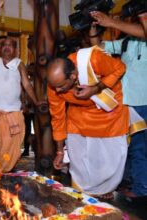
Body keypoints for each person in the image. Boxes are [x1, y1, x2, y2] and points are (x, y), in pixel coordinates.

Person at [47, 46, 129, 199]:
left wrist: (96, 88)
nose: (57, 91)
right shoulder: (54, 85)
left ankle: (104, 189)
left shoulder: (92, 59)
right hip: (79, 117)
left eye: (61, 86)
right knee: (78, 159)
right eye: (54, 87)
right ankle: (84, 194)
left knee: (108, 160)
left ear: (73, 76)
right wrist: (59, 151)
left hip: (109, 114)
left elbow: (120, 67)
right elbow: (57, 118)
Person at [90, 11, 147, 198]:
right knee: (125, 147)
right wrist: (93, 26)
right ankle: (129, 182)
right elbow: (97, 48)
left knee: (139, 148)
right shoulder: (124, 43)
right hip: (125, 103)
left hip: (143, 103)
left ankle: (141, 189)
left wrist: (112, 22)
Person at [0, 0, 39, 172]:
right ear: (0, 48)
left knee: (12, 151)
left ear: (16, 50)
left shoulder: (19, 64)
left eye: (11, 46)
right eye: (5, 45)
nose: (7, 48)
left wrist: (36, 101)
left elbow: (26, 84)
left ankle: (6, 176)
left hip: (14, 115)